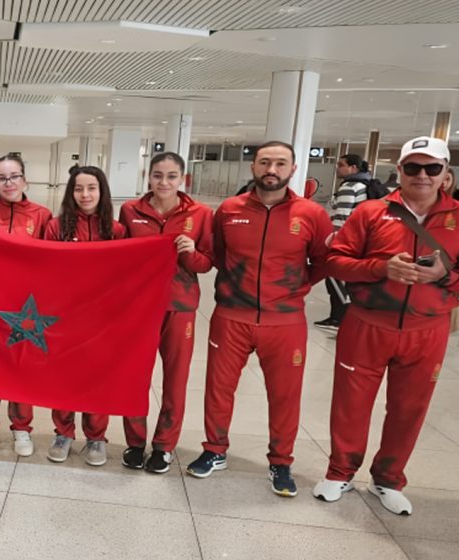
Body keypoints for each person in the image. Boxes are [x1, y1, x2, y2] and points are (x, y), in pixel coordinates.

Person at [313, 137, 459, 516]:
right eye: (412, 167)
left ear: (446, 175)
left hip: (427, 330)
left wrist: (446, 277)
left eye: (431, 168)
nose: (422, 176)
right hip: (366, 324)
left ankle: (389, 479)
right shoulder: (371, 213)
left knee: (409, 408)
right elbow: (335, 261)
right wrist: (381, 267)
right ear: (399, 171)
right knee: (350, 402)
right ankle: (340, 471)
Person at [186, 141, 333, 497]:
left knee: (284, 395)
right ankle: (214, 450)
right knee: (219, 389)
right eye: (265, 162)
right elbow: (219, 254)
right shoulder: (229, 210)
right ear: (253, 168)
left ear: (292, 170)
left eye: (280, 163)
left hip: (285, 322)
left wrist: (292, 288)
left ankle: (281, 461)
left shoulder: (311, 214)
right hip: (231, 316)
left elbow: (324, 262)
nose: (272, 169)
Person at [118, 152, 213, 474]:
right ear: (148, 177)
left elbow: (207, 263)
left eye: (171, 176)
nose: (164, 182)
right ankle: (134, 443)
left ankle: (164, 446)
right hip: (140, 307)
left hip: (180, 306)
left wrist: (191, 252)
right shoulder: (131, 210)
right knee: (134, 377)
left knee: (175, 380)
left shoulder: (199, 214)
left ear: (182, 179)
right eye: (158, 175)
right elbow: (121, 257)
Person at [0, 153, 52, 456]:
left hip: (26, 308)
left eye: (14, 176)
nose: (9, 183)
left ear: (24, 179)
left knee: (21, 366)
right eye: (2, 178)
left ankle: (22, 428)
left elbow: (51, 261)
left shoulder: (42, 215)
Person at [44, 166, 126, 467]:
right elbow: (45, 271)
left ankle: (95, 437)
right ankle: (63, 433)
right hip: (64, 316)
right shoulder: (55, 227)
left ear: (102, 192)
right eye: (79, 189)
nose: (86, 195)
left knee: (97, 377)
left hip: (101, 319)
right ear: (70, 193)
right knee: (63, 376)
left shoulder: (115, 231)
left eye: (92, 188)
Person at [315, 154, 371, 329]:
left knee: (334, 279)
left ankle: (338, 318)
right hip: (361, 240)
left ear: (353, 168)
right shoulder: (364, 185)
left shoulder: (349, 186)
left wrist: (334, 243)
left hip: (347, 241)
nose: (337, 168)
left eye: (341, 165)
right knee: (345, 279)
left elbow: (343, 217)